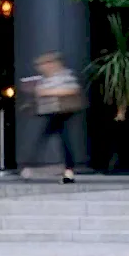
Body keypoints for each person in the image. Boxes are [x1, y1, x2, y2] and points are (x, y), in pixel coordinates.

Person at [30, 52, 82, 184]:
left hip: (63, 112)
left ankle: (67, 170)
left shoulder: (64, 75)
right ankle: (65, 169)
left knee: (61, 140)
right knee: (52, 138)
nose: (41, 67)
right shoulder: (45, 78)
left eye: (43, 64)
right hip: (51, 112)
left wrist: (46, 92)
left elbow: (72, 90)